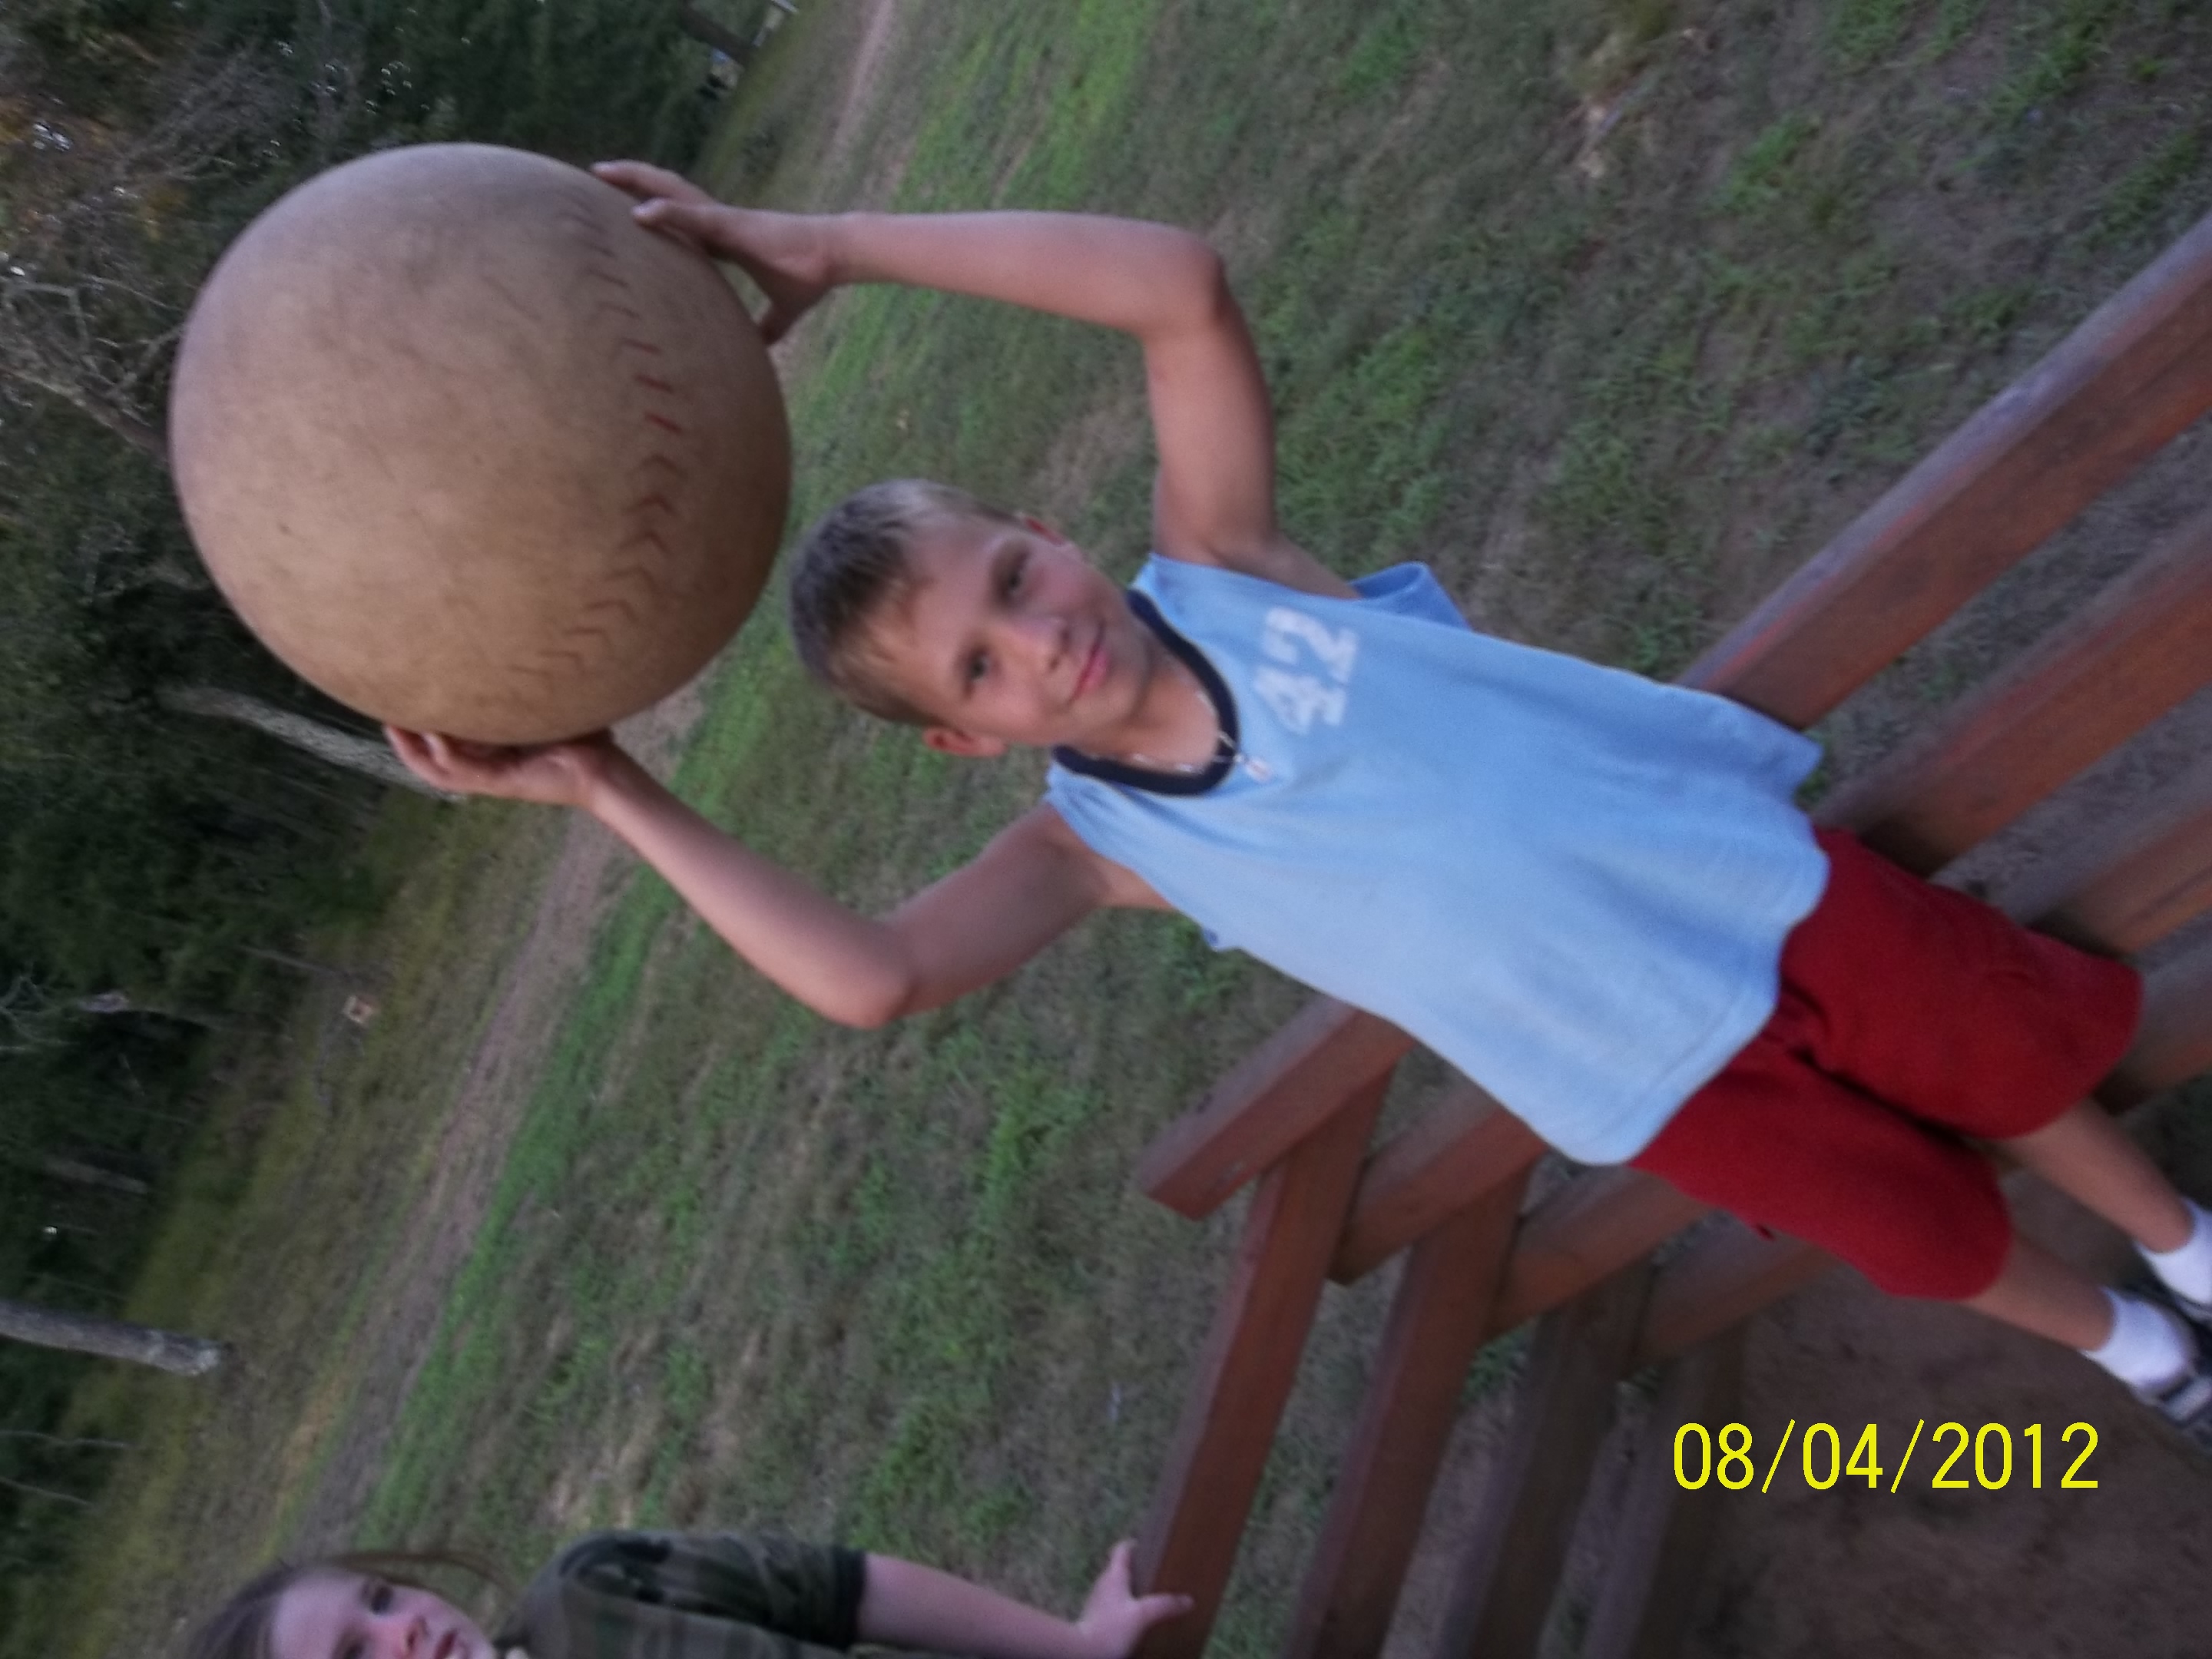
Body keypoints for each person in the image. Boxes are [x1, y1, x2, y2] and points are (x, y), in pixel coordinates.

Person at [390, 161, 2212, 1445]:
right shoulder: (1097, 848)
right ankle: (2142, 1351)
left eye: (1015, 578)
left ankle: (2185, 1243)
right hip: (1641, 1075)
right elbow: (873, 977)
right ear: (964, 742)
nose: (1040, 641)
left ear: (1048, 526)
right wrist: (606, 785)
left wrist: (829, 243)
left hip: (1749, 885)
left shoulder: (1233, 567)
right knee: (1920, 1231)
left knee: (2007, 1066)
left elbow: (1176, 283)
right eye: (979, 670)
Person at [186, 1532, 1190, 1659]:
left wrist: (1074, 1645)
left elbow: (846, 1589)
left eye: (379, 1600)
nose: (402, 1628)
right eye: (354, 1657)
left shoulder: (592, 1596)